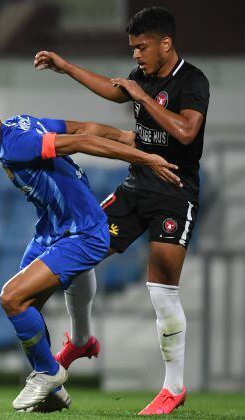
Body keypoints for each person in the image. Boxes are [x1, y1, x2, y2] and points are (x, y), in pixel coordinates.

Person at [0, 88, 181, 412]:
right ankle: (53, 387)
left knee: (11, 298)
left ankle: (48, 372)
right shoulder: (22, 124)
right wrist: (127, 137)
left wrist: (143, 157)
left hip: (82, 233)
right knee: (24, 304)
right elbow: (79, 127)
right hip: (52, 229)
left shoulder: (16, 143)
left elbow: (81, 142)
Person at [34, 6, 209, 414]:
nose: (136, 56)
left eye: (141, 47)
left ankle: (174, 387)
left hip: (175, 191)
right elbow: (115, 89)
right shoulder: (142, 78)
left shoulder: (192, 80)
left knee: (162, 289)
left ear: (166, 43)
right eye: (132, 49)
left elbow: (186, 131)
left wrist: (141, 96)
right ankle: (81, 341)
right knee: (77, 252)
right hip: (136, 185)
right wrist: (66, 68)